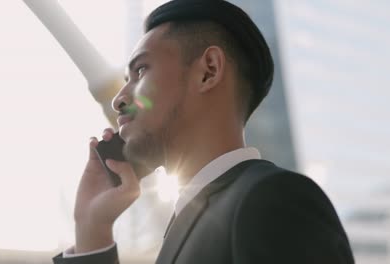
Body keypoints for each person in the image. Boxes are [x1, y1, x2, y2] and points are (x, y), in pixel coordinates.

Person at [53, 0, 355, 263]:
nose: (120, 99)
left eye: (141, 70)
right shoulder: (188, 221)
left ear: (208, 70)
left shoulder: (274, 201)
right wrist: (92, 230)